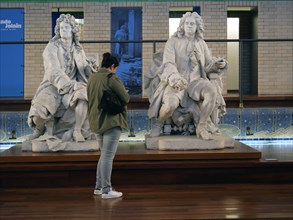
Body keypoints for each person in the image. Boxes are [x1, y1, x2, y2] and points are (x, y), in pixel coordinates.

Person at [145, 12, 227, 140]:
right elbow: (168, 63)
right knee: (169, 106)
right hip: (177, 81)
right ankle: (158, 124)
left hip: (196, 82)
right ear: (182, 25)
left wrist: (218, 64)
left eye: (192, 24)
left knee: (211, 91)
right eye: (187, 23)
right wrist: (175, 78)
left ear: (197, 27)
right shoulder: (173, 42)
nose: (189, 26)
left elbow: (208, 64)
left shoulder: (201, 43)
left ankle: (201, 126)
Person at [26, 14, 97, 143]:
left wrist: (90, 68)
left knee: (84, 95)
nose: (63, 30)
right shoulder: (52, 47)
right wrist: (70, 85)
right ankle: (39, 130)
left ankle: (77, 130)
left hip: (72, 87)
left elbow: (83, 70)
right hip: (53, 86)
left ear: (73, 31)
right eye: (61, 27)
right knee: (38, 112)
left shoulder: (78, 49)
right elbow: (53, 71)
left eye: (66, 27)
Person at [87, 52, 129, 199]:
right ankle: (106, 190)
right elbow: (125, 97)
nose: (115, 70)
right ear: (112, 66)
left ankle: (98, 187)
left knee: (103, 155)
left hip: (96, 121)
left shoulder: (92, 78)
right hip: (111, 121)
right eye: (115, 68)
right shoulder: (111, 78)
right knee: (108, 157)